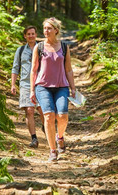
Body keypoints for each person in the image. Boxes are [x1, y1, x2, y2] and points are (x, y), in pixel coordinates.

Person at [30, 17, 76, 161]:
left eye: (49, 28)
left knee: (62, 116)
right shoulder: (39, 47)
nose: (46, 31)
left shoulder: (64, 47)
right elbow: (33, 70)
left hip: (61, 86)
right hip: (43, 87)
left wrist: (73, 88)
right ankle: (53, 150)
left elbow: (68, 69)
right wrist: (32, 90)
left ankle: (60, 137)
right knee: (49, 116)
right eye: (44, 28)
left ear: (56, 30)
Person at [11, 26, 44, 148]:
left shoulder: (42, 48)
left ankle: (46, 128)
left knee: (42, 110)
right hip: (25, 84)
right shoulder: (20, 51)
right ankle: (34, 138)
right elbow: (15, 68)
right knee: (29, 111)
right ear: (25, 36)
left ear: (36, 35)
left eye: (33, 33)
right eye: (28, 34)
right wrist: (13, 84)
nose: (31, 36)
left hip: (41, 83)